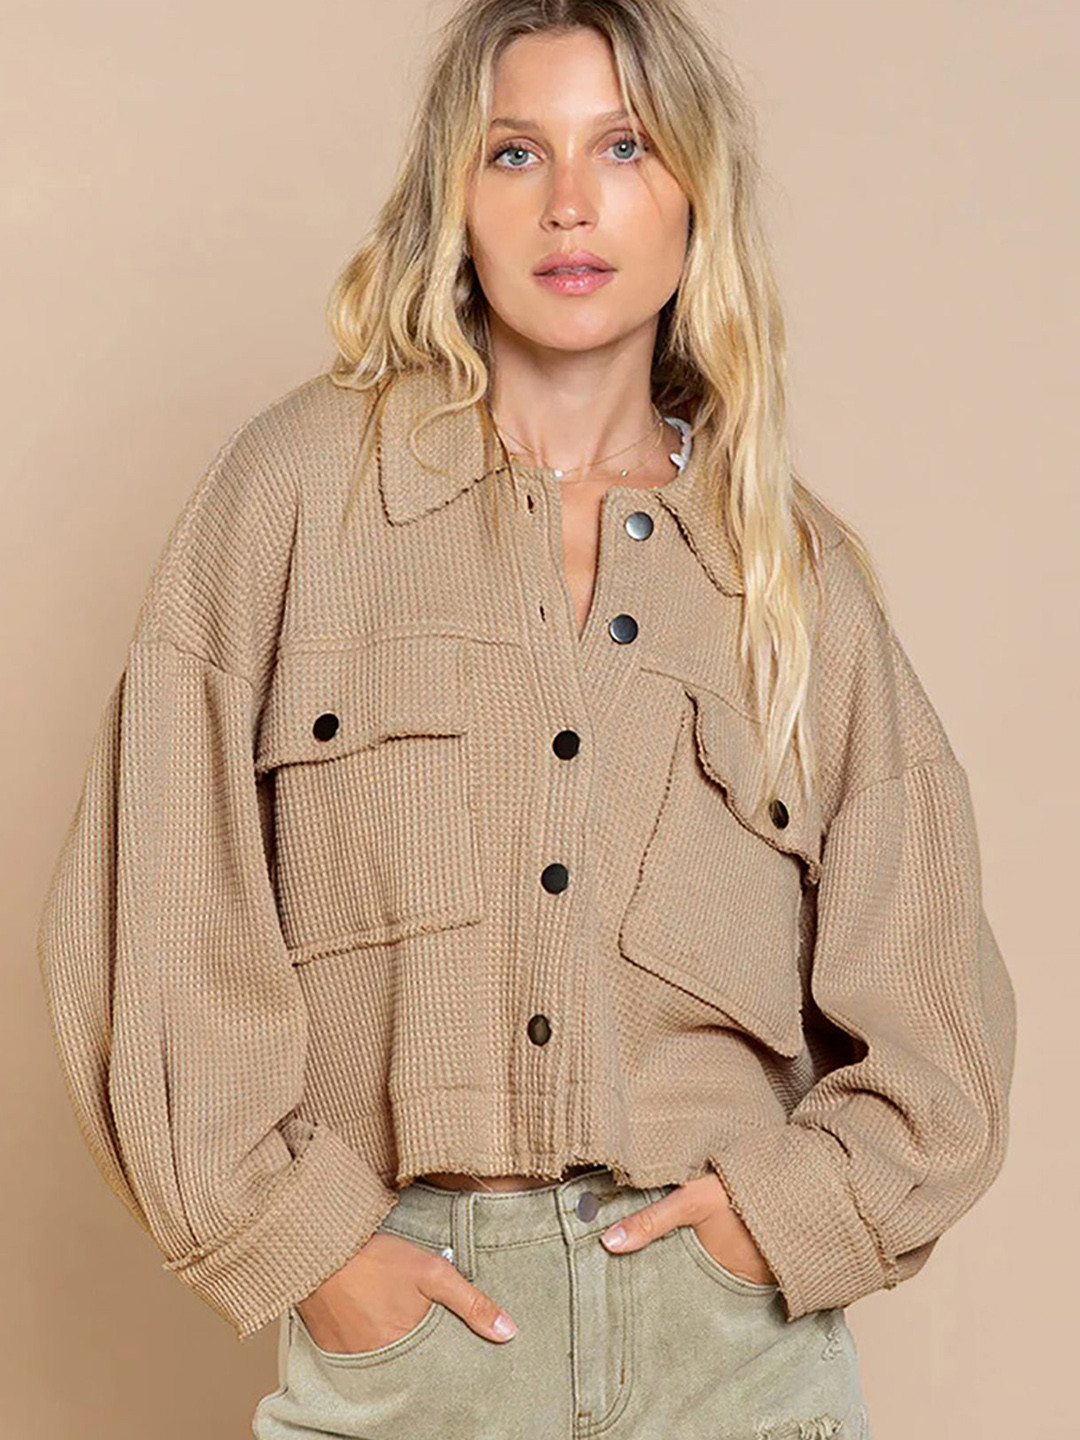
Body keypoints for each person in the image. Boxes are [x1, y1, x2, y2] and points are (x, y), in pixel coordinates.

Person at [36, 2, 1016, 1436]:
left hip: (733, 1360)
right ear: (456, 202)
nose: (569, 201)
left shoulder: (788, 572)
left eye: (623, 146)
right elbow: (152, 903)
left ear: (693, 194)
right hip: (416, 1346)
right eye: (515, 152)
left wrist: (781, 1223)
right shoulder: (301, 494)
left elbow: (938, 1009)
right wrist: (302, 1248)